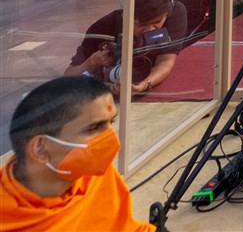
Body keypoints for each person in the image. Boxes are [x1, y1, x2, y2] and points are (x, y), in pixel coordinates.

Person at [0, 76, 155, 231]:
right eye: (94, 128)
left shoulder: (94, 175)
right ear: (40, 148)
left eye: (111, 122)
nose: (111, 138)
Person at [64, 0, 186, 96]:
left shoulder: (174, 12)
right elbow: (67, 77)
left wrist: (144, 84)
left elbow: (166, 60)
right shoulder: (103, 28)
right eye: (141, 24)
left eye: (157, 23)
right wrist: (93, 61)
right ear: (126, 15)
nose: (150, 30)